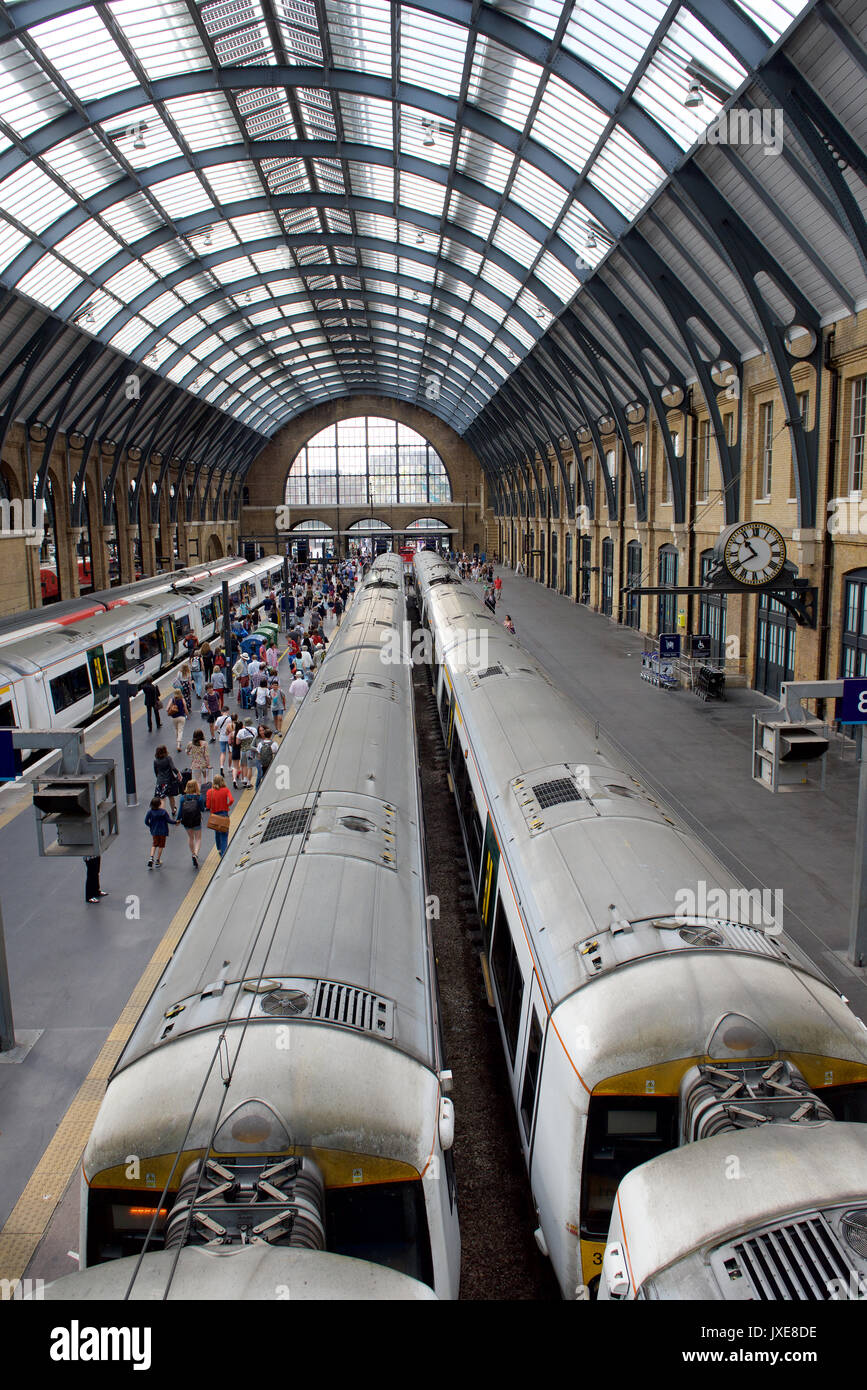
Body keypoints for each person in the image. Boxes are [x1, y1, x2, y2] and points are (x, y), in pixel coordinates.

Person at [176, 778, 206, 867]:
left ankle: (192, 853)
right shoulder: (199, 797)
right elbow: (202, 809)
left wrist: (178, 819)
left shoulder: (183, 798)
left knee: (190, 838)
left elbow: (180, 811)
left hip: (186, 820)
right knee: (198, 838)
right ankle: (196, 854)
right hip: (196, 819)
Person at [205, 775, 234, 858]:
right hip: (224, 814)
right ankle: (224, 854)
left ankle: (219, 849)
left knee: (217, 832)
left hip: (215, 815)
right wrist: (228, 805)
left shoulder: (210, 792)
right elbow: (231, 799)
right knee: (224, 835)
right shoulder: (226, 790)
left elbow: (207, 806)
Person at [153, 745, 182, 816]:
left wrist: (159, 778)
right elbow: (173, 768)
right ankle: (172, 810)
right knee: (170, 796)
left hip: (160, 781)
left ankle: (161, 812)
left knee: (161, 798)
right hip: (168, 781)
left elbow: (156, 772)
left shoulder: (156, 761)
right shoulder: (168, 758)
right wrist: (178, 774)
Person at [145, 796, 172, 868]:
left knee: (154, 844)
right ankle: (158, 860)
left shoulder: (150, 812)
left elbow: (146, 821)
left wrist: (151, 826)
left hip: (154, 831)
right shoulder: (163, 812)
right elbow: (169, 820)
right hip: (163, 831)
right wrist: (176, 822)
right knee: (161, 845)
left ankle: (151, 858)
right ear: (160, 804)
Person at [165, 687, 188, 752]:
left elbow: (167, 709)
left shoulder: (172, 700)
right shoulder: (182, 699)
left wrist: (170, 709)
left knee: (176, 730)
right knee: (180, 730)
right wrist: (187, 715)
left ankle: (178, 742)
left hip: (174, 717)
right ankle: (178, 744)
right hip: (181, 717)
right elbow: (185, 708)